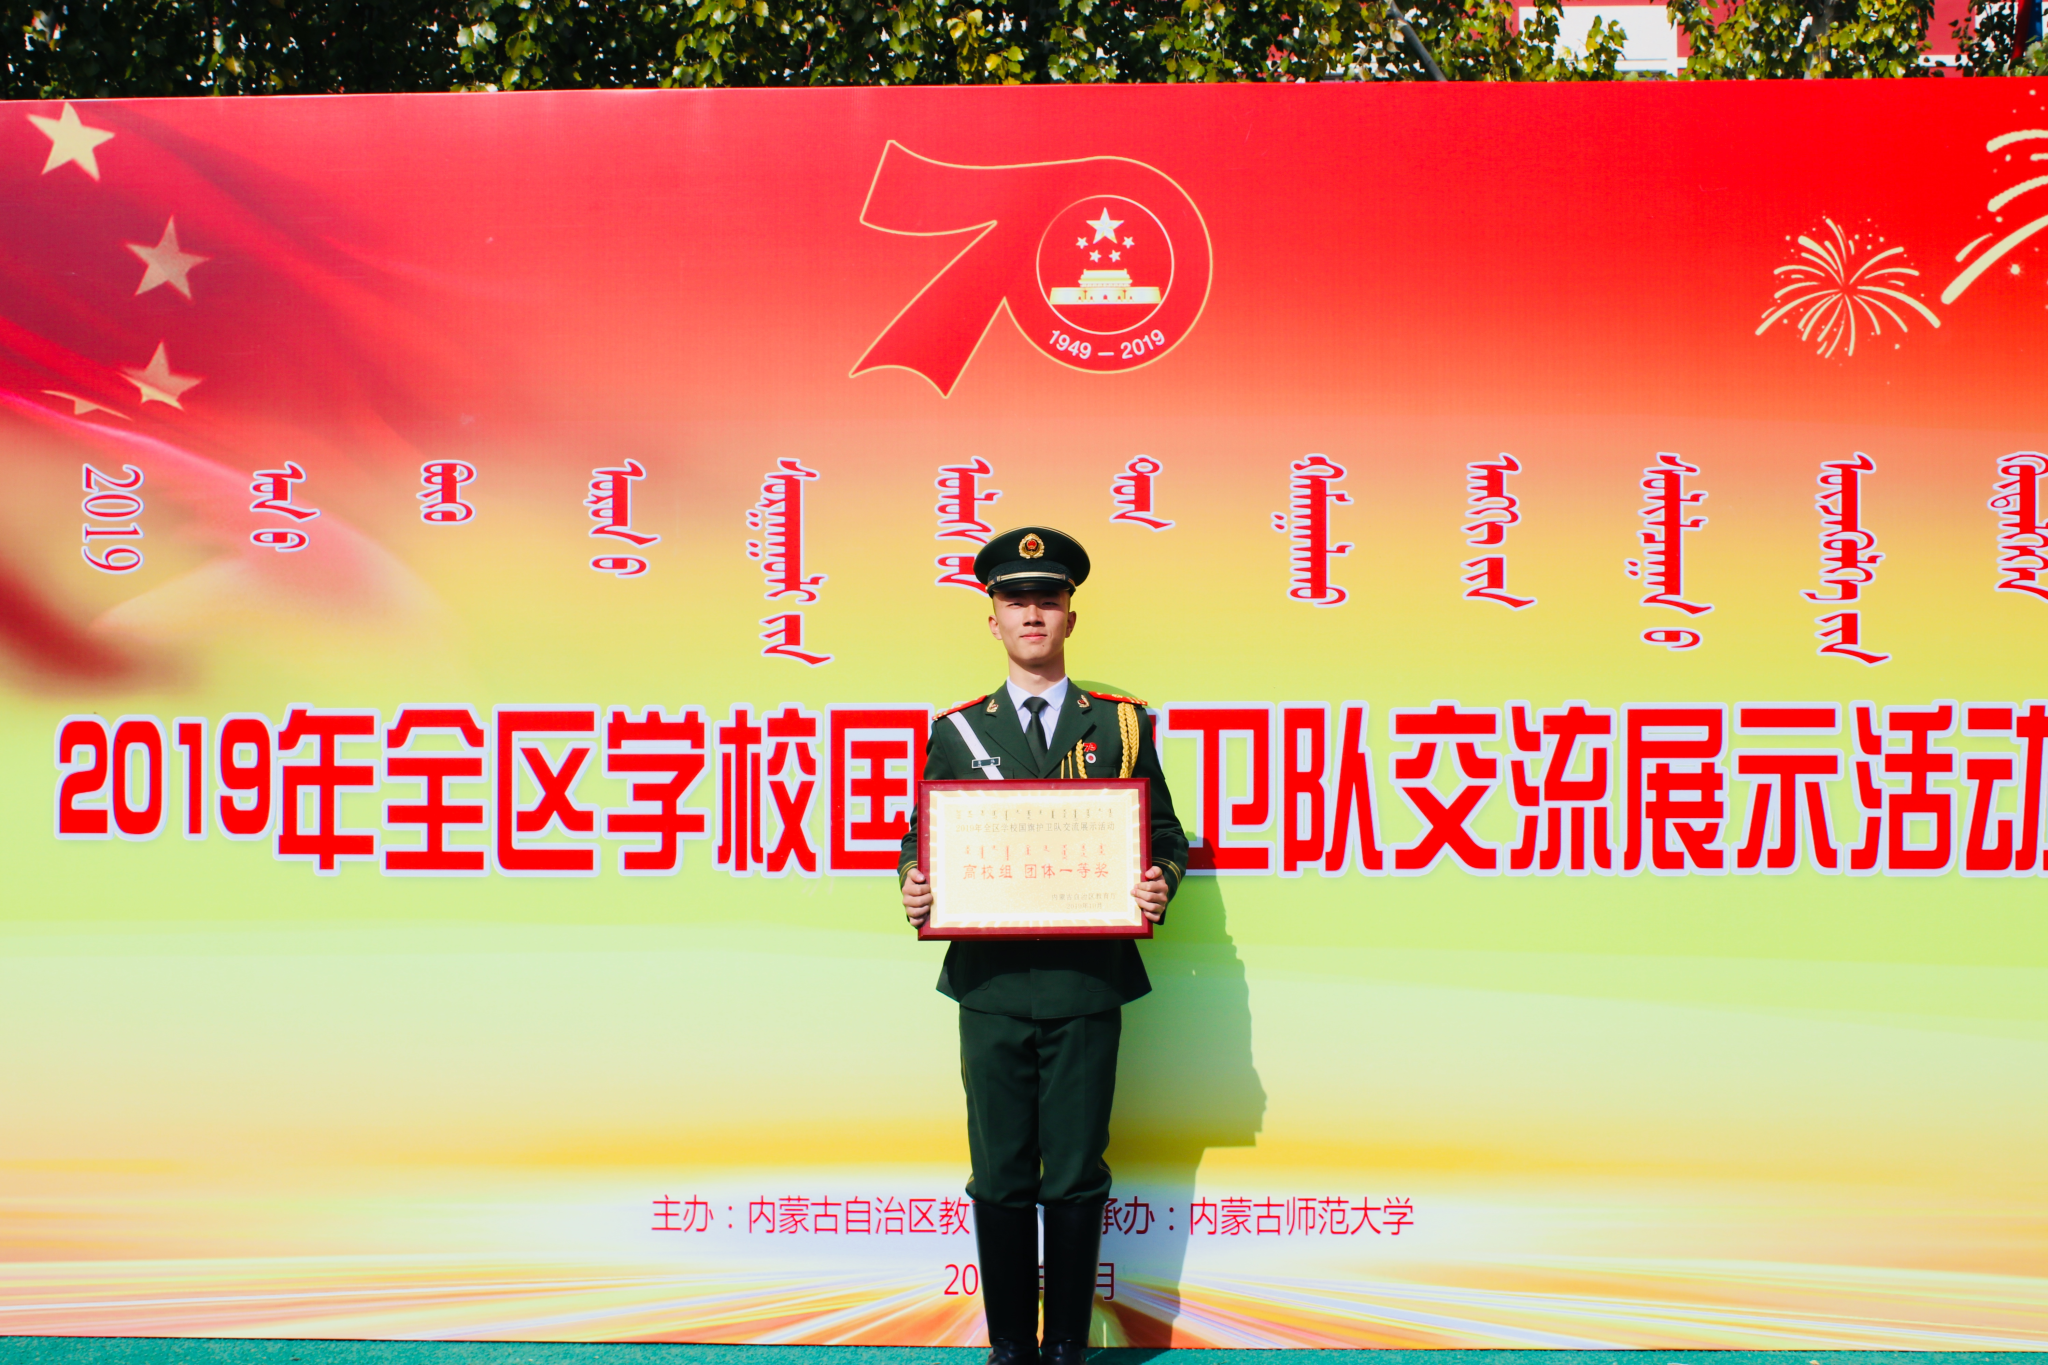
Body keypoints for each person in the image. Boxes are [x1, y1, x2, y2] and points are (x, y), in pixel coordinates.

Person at [899, 526, 1188, 1365]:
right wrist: (914, 881)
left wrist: (1159, 880)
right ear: (992, 618)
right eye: (1015, 600)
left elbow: (1164, 835)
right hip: (990, 984)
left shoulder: (1122, 726)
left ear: (1070, 615)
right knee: (998, 1171)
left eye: (1048, 599)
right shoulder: (959, 731)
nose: (1033, 613)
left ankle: (1064, 1345)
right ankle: (1009, 1347)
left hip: (1086, 981)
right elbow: (924, 838)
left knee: (1075, 1170)